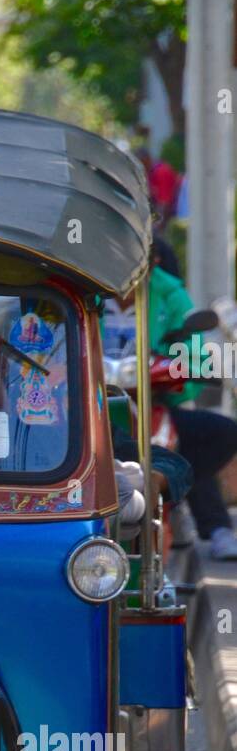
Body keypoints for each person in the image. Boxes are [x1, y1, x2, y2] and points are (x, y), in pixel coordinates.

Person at [106, 238, 237, 560]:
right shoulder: (84, 292)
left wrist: (168, 369)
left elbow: (195, 356)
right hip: (89, 405)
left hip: (154, 403)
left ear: (150, 265)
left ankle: (171, 495)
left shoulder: (170, 297)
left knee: (219, 433)